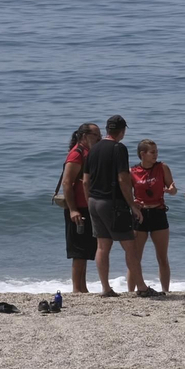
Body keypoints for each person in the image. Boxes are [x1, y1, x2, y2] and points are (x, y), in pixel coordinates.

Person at [83, 115, 142, 297]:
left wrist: (89, 202)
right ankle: (142, 288)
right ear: (122, 131)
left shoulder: (93, 149)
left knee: (102, 246)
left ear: (107, 129)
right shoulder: (119, 148)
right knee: (130, 247)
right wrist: (132, 205)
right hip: (113, 203)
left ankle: (106, 288)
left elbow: (85, 181)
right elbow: (123, 179)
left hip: (94, 201)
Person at [130, 139, 177, 295]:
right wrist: (133, 202)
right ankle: (131, 291)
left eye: (156, 151)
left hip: (158, 212)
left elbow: (172, 188)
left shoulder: (162, 168)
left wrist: (171, 190)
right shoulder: (133, 171)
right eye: (152, 152)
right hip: (140, 214)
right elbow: (126, 194)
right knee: (135, 258)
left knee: (162, 256)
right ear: (142, 154)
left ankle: (165, 290)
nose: (156, 155)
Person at [60, 123, 101, 294]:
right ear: (84, 136)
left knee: (84, 251)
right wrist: (73, 210)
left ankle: (82, 287)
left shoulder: (86, 152)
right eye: (95, 135)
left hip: (86, 207)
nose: (99, 139)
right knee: (78, 252)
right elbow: (67, 183)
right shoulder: (76, 154)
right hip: (78, 208)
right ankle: (77, 289)